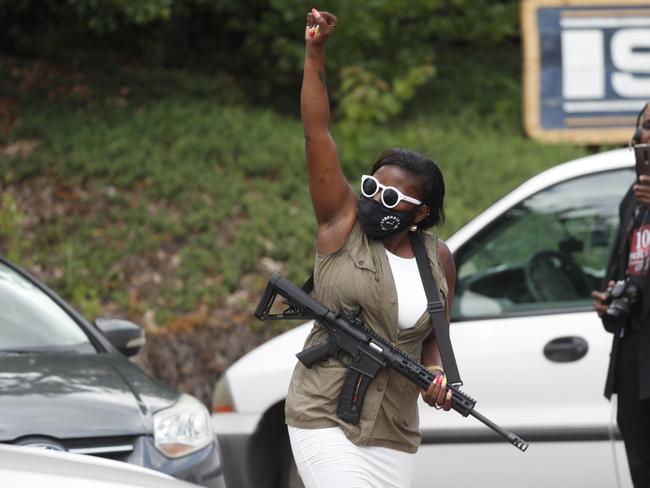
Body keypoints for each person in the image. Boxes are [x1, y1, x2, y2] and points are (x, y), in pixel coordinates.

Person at [284, 8, 456, 488]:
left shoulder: (438, 260)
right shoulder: (340, 222)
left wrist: (439, 379)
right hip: (323, 417)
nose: (375, 201)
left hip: (394, 431)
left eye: (393, 198)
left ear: (420, 213)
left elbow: (432, 341)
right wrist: (314, 52)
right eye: (371, 187)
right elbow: (316, 132)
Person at [592, 102, 650, 488]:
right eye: (646, 126)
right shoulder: (632, 201)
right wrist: (609, 299)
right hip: (635, 364)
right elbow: (620, 274)